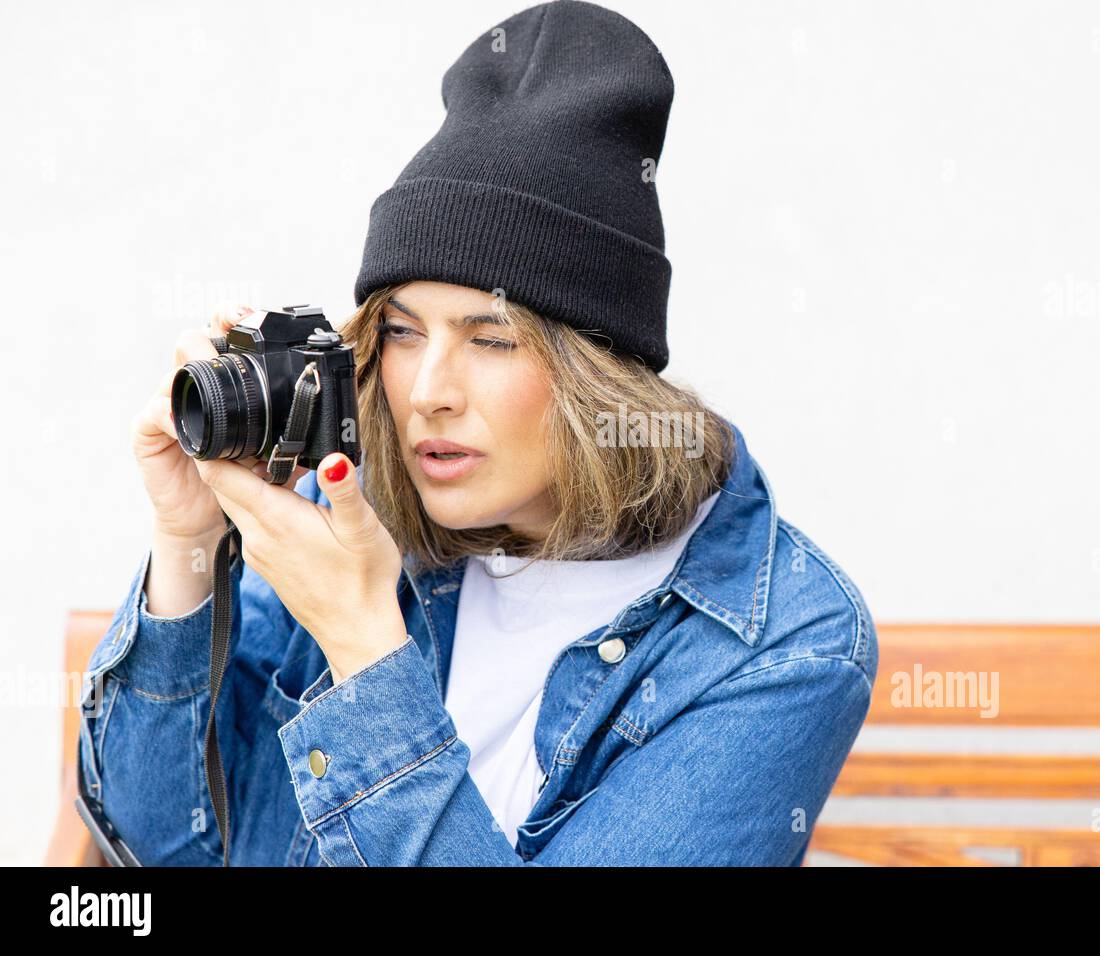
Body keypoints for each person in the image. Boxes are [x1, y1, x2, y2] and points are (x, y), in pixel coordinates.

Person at [78, 0, 877, 866]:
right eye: (403, 331)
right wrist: (189, 545)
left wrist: (361, 644)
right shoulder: (355, 514)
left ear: (597, 371)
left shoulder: (782, 642)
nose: (427, 392)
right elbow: (162, 843)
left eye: (491, 339)